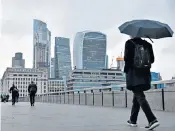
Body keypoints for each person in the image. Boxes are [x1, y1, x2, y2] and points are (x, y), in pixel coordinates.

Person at [124, 36, 160, 130]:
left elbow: (127, 59)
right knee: (137, 97)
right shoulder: (148, 44)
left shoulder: (129, 43)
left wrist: (126, 70)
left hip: (134, 75)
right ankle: (133, 120)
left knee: (140, 96)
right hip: (145, 74)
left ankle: (152, 120)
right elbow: (152, 60)